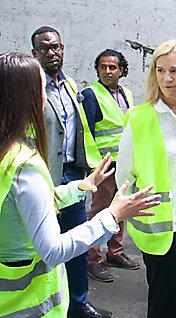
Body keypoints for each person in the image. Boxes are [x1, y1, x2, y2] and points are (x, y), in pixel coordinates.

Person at [0, 52, 159, 317]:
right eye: (41, 88)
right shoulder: (24, 165)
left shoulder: (8, 152)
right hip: (28, 306)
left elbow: (23, 204)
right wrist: (113, 215)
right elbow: (53, 250)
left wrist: (80, 186)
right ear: (27, 97)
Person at [116, 39, 176, 318]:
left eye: (174, 71)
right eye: (160, 71)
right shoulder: (141, 117)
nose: (166, 79)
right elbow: (125, 174)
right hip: (160, 224)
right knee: (167, 299)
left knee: (168, 292)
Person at [31, 26, 111, 318]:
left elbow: (81, 130)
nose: (51, 53)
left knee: (77, 241)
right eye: (44, 48)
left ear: (63, 49)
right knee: (46, 246)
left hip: (75, 175)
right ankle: (49, 306)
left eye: (56, 47)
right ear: (34, 54)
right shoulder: (32, 88)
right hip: (44, 177)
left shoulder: (72, 86)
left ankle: (79, 303)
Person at [82, 49, 138, 283]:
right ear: (97, 70)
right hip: (103, 165)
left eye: (112, 67)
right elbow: (87, 134)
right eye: (103, 67)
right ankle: (93, 260)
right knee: (99, 212)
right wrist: (93, 169)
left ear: (121, 70)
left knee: (121, 209)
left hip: (123, 162)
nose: (107, 71)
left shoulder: (127, 93)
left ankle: (115, 253)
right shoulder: (91, 95)